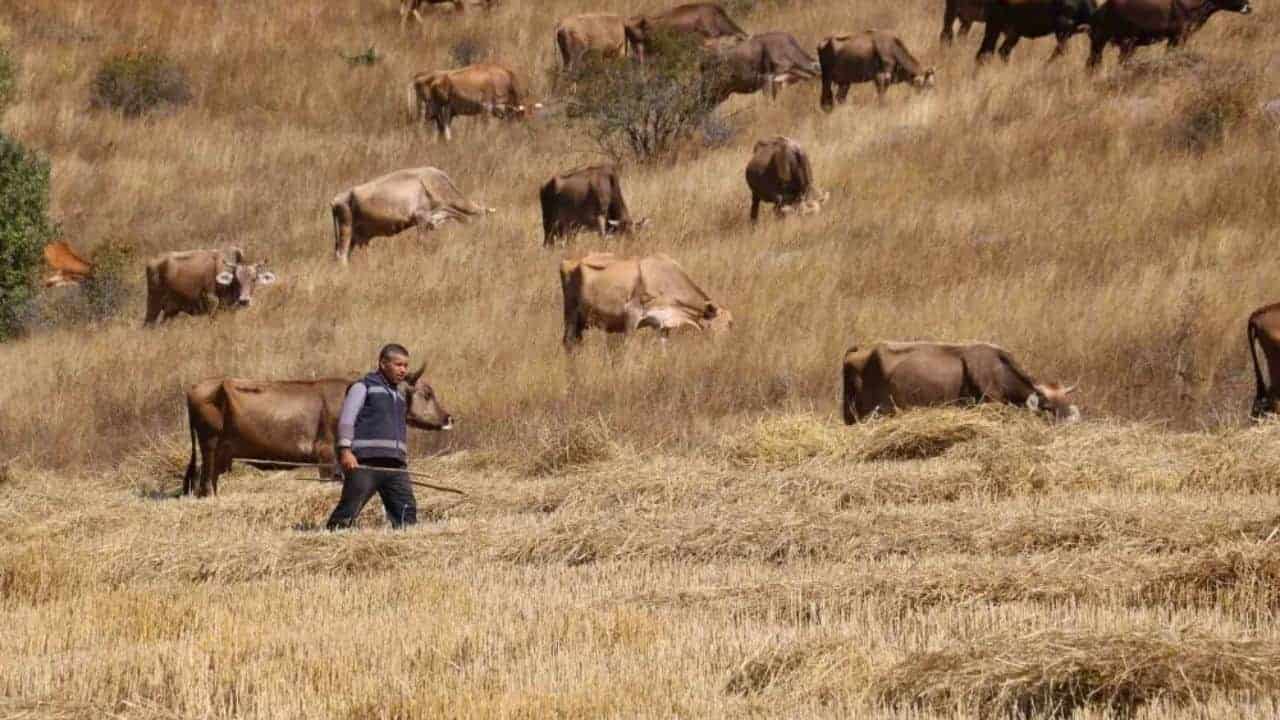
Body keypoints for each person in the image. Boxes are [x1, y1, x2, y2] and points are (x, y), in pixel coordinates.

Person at [326, 343, 418, 530]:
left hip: (395, 466)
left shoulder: (399, 394)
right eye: (398, 364)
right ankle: (331, 539)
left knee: (407, 512)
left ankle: (405, 548)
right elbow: (346, 420)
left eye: (406, 366)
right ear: (383, 363)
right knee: (348, 511)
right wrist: (345, 451)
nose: (403, 370)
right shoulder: (363, 387)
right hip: (365, 463)